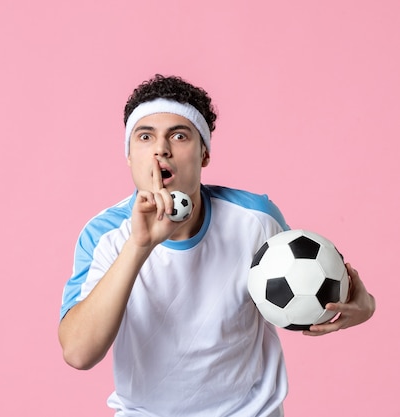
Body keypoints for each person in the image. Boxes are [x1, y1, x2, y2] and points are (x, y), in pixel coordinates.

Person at [58, 74, 376, 416]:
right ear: (129, 156)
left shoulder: (255, 219)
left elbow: (305, 288)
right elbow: (78, 353)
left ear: (204, 153)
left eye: (179, 136)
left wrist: (364, 306)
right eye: (145, 136)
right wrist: (139, 245)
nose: (161, 149)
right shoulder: (104, 234)